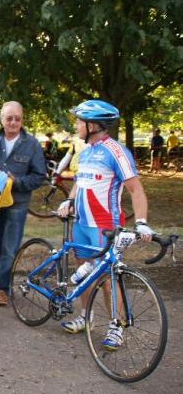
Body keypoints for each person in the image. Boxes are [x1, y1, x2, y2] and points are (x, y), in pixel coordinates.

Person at [57, 100, 154, 351]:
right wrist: (68, 200)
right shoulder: (86, 150)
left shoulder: (116, 151)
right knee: (83, 273)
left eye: (79, 121)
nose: (76, 125)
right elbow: (80, 181)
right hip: (81, 222)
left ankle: (117, 326)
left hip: (105, 226)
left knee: (109, 277)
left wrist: (141, 222)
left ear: (92, 125)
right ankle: (85, 316)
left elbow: (136, 190)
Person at [0, 101, 46, 306]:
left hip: (17, 203)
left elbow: (39, 176)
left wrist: (15, 182)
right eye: (9, 118)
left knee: (10, 248)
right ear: (2, 120)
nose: (13, 122)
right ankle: (0, 281)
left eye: (17, 118)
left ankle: (2, 288)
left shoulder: (31, 144)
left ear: (22, 119)